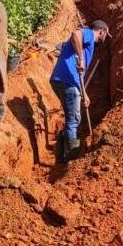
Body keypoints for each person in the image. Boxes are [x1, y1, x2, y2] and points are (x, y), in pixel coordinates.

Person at [50, 20, 110, 161]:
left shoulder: (88, 41)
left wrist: (84, 94)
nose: (105, 38)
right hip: (67, 80)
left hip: (63, 80)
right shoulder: (89, 34)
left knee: (72, 117)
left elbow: (79, 78)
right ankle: (71, 156)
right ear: (101, 31)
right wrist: (81, 58)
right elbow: (76, 34)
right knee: (74, 119)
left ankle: (60, 153)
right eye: (106, 34)